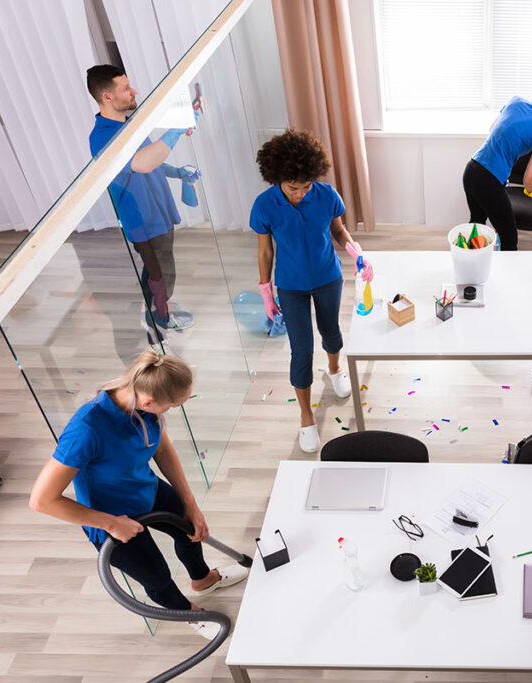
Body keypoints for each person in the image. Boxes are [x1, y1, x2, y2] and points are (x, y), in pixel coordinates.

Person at [29, 351, 248, 638]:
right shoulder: (86, 430)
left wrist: (189, 503)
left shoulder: (142, 402)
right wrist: (110, 524)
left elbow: (163, 449)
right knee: (156, 576)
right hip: (110, 518)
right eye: (171, 406)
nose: (170, 411)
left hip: (147, 489)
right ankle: (189, 614)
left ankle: (203, 579)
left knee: (190, 532)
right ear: (149, 402)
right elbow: (41, 500)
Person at [250, 129, 372, 453]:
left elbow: (338, 229)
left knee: (331, 332)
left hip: (328, 277)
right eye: (294, 187)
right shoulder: (264, 206)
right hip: (290, 286)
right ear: (277, 180)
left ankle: (334, 370)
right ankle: (306, 415)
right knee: (301, 350)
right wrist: (265, 290)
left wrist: (357, 253)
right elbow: (265, 251)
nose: (302, 193)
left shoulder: (326, 194)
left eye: (306, 186)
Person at [86, 64, 196, 343]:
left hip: (158, 210)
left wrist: (177, 172)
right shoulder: (101, 137)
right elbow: (143, 163)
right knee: (159, 271)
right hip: (143, 222)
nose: (133, 91)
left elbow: (152, 158)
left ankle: (161, 310)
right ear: (107, 97)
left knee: (162, 268)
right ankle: (157, 322)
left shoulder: (128, 124)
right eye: (125, 88)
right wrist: (176, 129)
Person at [462, 80, 532, 251]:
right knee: (509, 236)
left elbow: (493, 128)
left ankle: (470, 268)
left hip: (471, 169)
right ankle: (508, 276)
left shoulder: (516, 101)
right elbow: (529, 178)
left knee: (477, 223)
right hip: (489, 180)